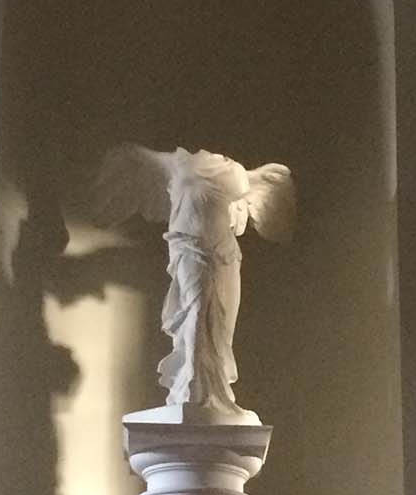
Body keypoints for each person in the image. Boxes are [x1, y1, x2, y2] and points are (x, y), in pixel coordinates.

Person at [93, 145, 294, 415]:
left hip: (223, 260)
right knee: (196, 315)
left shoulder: (233, 175)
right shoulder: (178, 166)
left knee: (218, 329)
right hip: (192, 256)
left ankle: (212, 391)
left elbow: (241, 222)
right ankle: (194, 389)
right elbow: (133, 161)